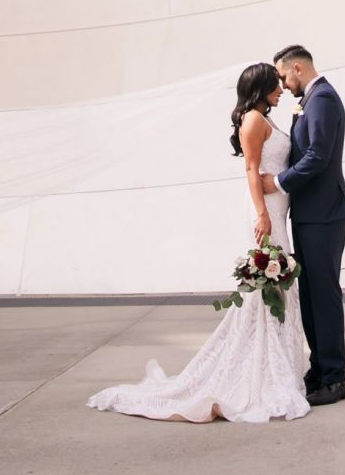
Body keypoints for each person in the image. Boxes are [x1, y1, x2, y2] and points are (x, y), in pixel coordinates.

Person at [86, 62, 310, 422]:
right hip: (266, 211)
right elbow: (251, 169)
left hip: (276, 209)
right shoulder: (253, 119)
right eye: (275, 84)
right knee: (269, 289)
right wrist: (262, 214)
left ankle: (273, 367)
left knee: (276, 290)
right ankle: (259, 373)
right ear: (261, 86)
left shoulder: (263, 117)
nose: (281, 89)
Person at [261, 44, 345, 406]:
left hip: (323, 214)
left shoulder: (324, 99)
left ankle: (335, 377)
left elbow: (318, 155)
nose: (283, 86)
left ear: (297, 68)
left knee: (324, 296)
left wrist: (280, 182)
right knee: (312, 297)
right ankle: (320, 370)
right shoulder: (312, 99)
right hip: (309, 214)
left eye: (284, 76)